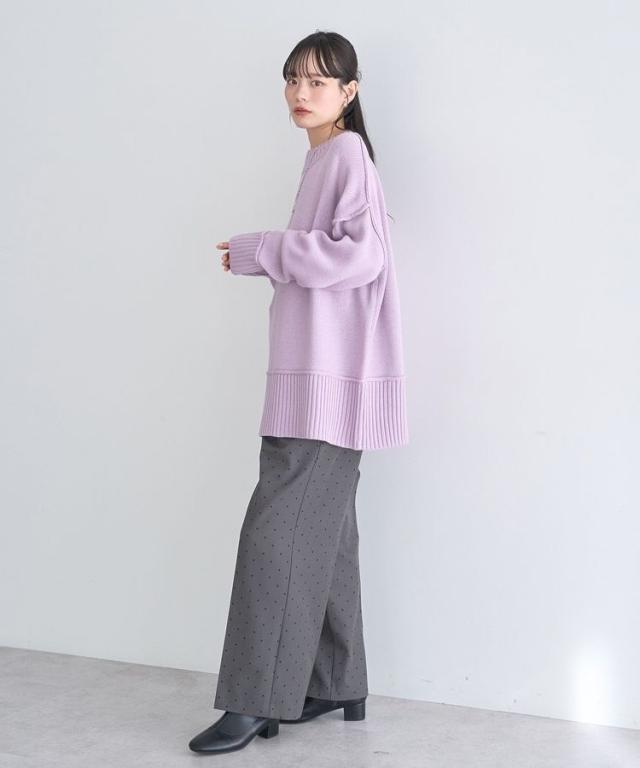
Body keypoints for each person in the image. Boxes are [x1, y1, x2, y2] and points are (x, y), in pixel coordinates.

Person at [188, 29, 409, 755]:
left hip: (327, 388)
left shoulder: (344, 155)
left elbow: (362, 258)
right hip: (317, 379)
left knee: (274, 536)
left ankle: (255, 699)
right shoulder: (324, 158)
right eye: (292, 79)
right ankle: (337, 681)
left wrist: (265, 249)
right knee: (323, 534)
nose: (300, 92)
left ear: (349, 92)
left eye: (318, 81)